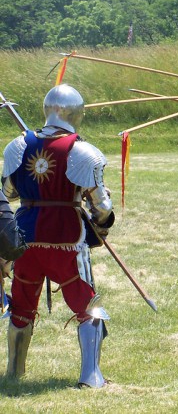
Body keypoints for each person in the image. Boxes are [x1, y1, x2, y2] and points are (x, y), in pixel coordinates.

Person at [2, 84, 115, 387]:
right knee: (87, 306)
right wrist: (102, 226)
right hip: (65, 237)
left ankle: (14, 373)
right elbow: (101, 207)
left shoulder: (18, 145)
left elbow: (8, 194)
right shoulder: (82, 150)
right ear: (76, 112)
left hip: (24, 237)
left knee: (22, 305)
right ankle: (91, 376)